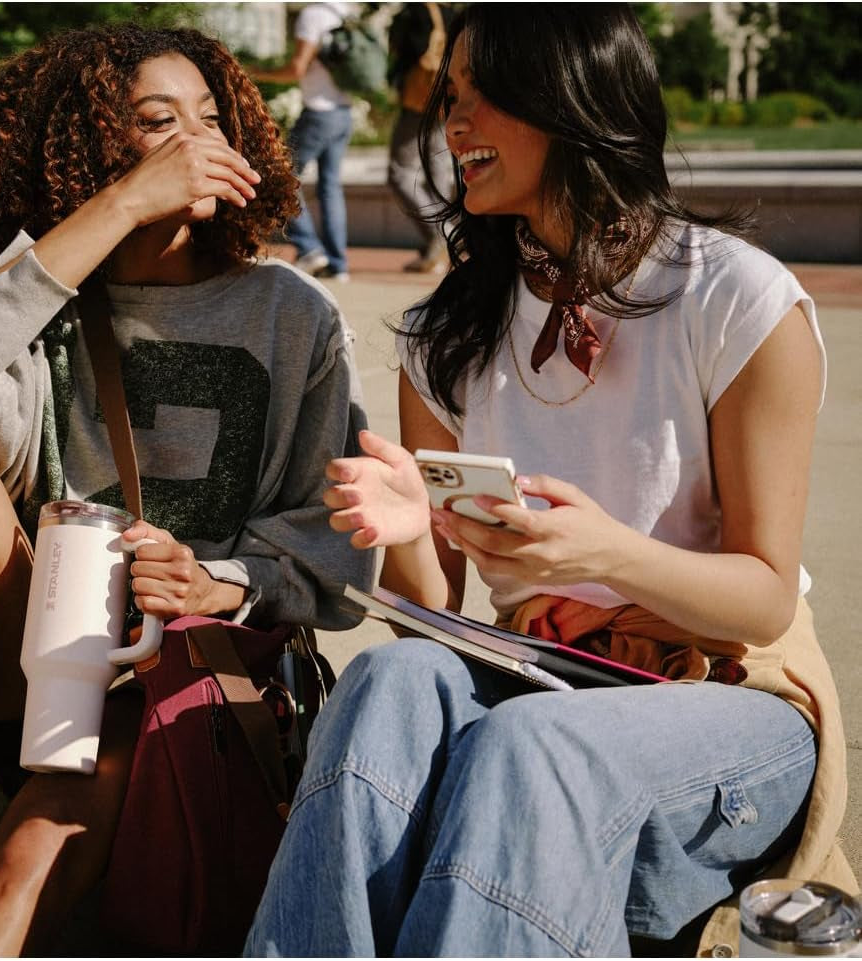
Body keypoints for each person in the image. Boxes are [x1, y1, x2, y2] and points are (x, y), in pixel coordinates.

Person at [246, 5, 856, 956]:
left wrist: (608, 552)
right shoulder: (442, 336)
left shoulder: (737, 299)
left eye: (484, 97)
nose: (454, 126)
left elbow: (765, 598)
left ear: (572, 100)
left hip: (728, 690)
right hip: (539, 674)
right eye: (450, 98)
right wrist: (410, 521)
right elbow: (433, 603)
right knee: (389, 676)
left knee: (523, 748)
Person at [0, 23, 374, 957]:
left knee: (25, 864)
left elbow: (338, 555)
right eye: (155, 121)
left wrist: (216, 581)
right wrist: (116, 211)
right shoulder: (38, 299)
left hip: (189, 680)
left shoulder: (290, 314)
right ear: (94, 147)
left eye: (210, 118)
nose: (194, 140)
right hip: (46, 678)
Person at [252, 2, 360, 282]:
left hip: (319, 113)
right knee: (330, 187)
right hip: (344, 112)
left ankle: (310, 248)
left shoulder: (313, 15)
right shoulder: (344, 11)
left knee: (280, 174)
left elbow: (297, 68)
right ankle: (338, 264)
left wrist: (256, 74)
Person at [386, 1, 454, 274]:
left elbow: (409, 50)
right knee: (439, 170)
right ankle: (439, 249)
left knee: (400, 171)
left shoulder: (417, 10)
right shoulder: (453, 11)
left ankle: (444, 232)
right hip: (444, 100)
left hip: (419, 101)